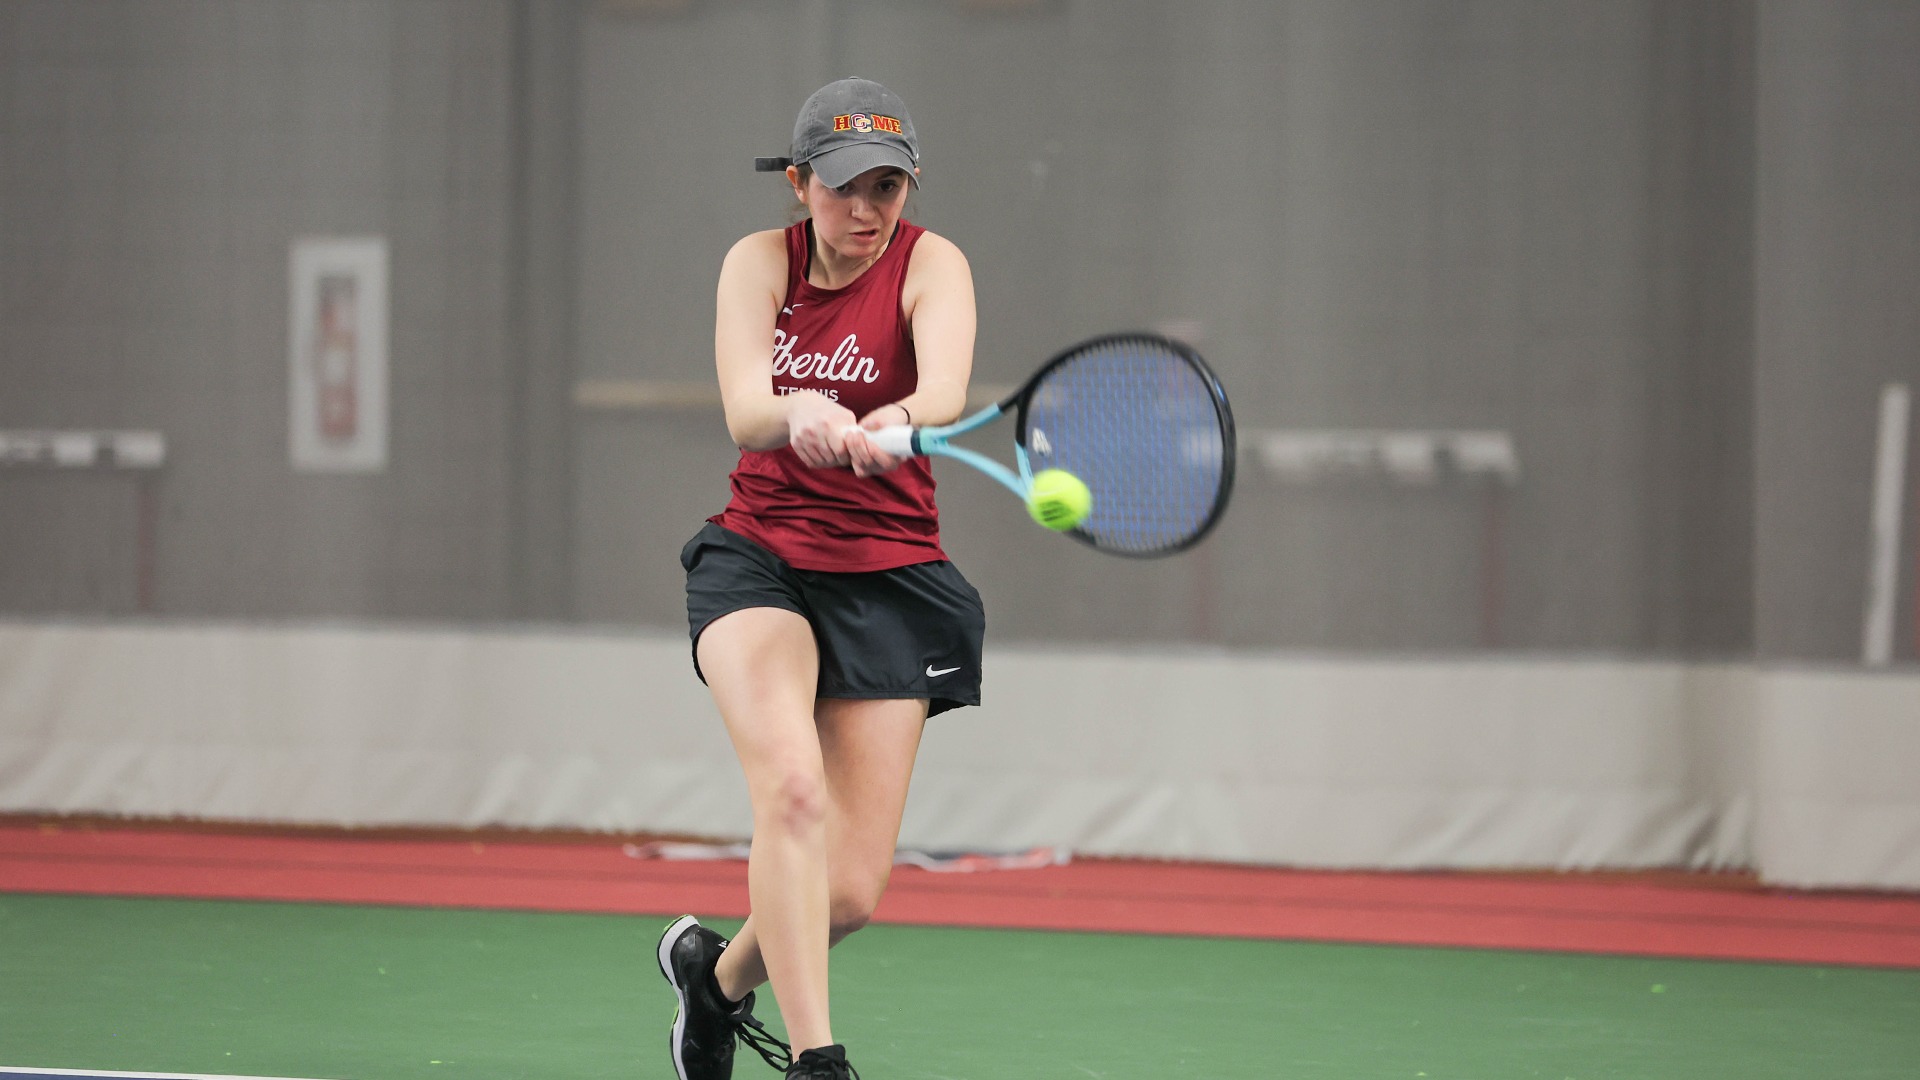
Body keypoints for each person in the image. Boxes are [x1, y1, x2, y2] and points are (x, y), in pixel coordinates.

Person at [657, 77, 984, 1080]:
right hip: (760, 562)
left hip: (890, 575)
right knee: (793, 792)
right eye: (843, 187)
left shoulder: (933, 264)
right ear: (799, 183)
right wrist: (796, 409)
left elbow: (944, 387)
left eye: (887, 187)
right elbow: (745, 408)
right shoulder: (759, 262)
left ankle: (713, 985)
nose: (865, 210)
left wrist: (900, 420)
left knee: (845, 894)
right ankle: (817, 1059)